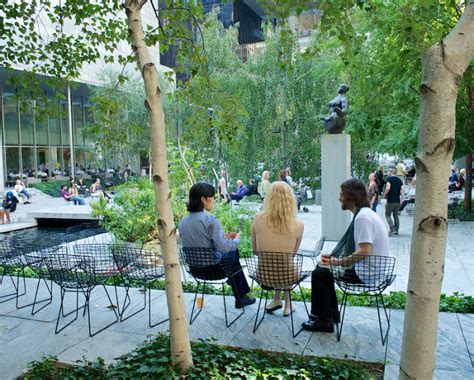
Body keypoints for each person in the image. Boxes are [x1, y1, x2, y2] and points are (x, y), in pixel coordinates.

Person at [302, 178, 389, 332]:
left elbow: (365, 251)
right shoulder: (364, 214)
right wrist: (335, 259)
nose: (339, 198)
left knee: (320, 273)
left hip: (367, 274)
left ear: (351, 196)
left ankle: (323, 321)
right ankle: (330, 315)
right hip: (373, 270)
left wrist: (337, 262)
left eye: (341, 194)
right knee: (323, 269)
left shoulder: (362, 217)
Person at [179, 182, 255, 308]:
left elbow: (198, 241)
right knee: (234, 251)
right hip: (214, 270)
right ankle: (240, 296)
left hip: (194, 269)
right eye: (212, 197)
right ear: (203, 199)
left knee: (230, 254)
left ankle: (239, 293)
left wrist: (221, 237)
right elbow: (225, 248)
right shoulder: (210, 219)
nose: (214, 200)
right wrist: (236, 239)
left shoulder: (183, 221)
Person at [251, 182, 304, 316]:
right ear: (290, 200)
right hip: (287, 276)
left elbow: (255, 251)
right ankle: (288, 304)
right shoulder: (299, 225)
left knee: (279, 261)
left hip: (264, 275)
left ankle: (277, 299)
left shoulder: (257, 218)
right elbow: (291, 255)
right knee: (284, 262)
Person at [384, 167, 403, 236]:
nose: (388, 173)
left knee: (387, 214)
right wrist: (401, 199)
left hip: (391, 200)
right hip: (397, 201)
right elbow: (402, 191)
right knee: (396, 216)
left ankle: (392, 230)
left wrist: (385, 194)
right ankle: (396, 230)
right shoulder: (399, 180)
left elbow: (388, 188)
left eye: (388, 171)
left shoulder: (389, 179)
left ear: (391, 172)